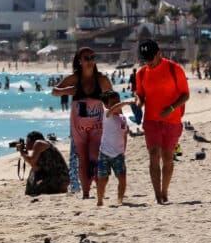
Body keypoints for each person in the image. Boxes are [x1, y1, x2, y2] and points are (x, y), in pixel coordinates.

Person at [52, 48, 113, 198]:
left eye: (93, 57)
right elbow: (54, 91)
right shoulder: (74, 79)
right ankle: (86, 192)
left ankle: (99, 189)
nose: (90, 61)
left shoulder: (102, 80)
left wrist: (117, 121)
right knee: (83, 159)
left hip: (97, 125)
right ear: (79, 61)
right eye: (87, 58)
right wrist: (65, 90)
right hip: (78, 126)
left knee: (95, 157)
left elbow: (111, 101)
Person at [134, 40, 190, 204]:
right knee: (153, 155)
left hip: (172, 120)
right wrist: (138, 103)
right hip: (151, 120)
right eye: (145, 59)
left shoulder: (174, 69)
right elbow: (140, 94)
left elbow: (185, 95)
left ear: (159, 53)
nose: (148, 62)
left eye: (151, 58)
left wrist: (171, 108)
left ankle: (165, 191)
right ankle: (158, 195)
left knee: (167, 156)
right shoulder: (141, 73)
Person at [96, 91, 132, 206]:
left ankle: (120, 200)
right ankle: (100, 200)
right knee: (103, 179)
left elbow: (124, 134)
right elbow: (113, 109)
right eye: (114, 102)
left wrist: (124, 150)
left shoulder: (122, 118)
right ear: (106, 105)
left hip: (119, 154)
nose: (117, 104)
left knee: (122, 179)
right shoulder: (107, 114)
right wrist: (124, 103)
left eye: (118, 101)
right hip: (104, 153)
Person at [16, 130, 69, 196]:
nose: (25, 144)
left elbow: (31, 161)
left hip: (59, 178)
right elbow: (36, 168)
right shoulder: (40, 148)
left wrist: (21, 151)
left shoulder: (39, 143)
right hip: (57, 177)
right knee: (30, 188)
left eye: (27, 141)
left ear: (31, 140)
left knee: (34, 190)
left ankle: (58, 188)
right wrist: (25, 153)